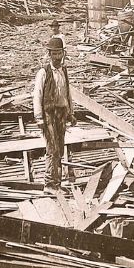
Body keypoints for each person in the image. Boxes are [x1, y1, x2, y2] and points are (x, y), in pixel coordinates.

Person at [33, 35, 77, 194]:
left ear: (63, 54)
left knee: (60, 148)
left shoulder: (64, 71)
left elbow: (67, 93)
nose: (57, 57)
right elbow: (37, 95)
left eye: (60, 53)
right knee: (52, 149)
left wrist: (71, 113)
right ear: (49, 54)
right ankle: (49, 185)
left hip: (61, 114)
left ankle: (57, 183)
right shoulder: (43, 72)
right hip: (49, 115)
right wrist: (38, 117)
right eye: (54, 54)